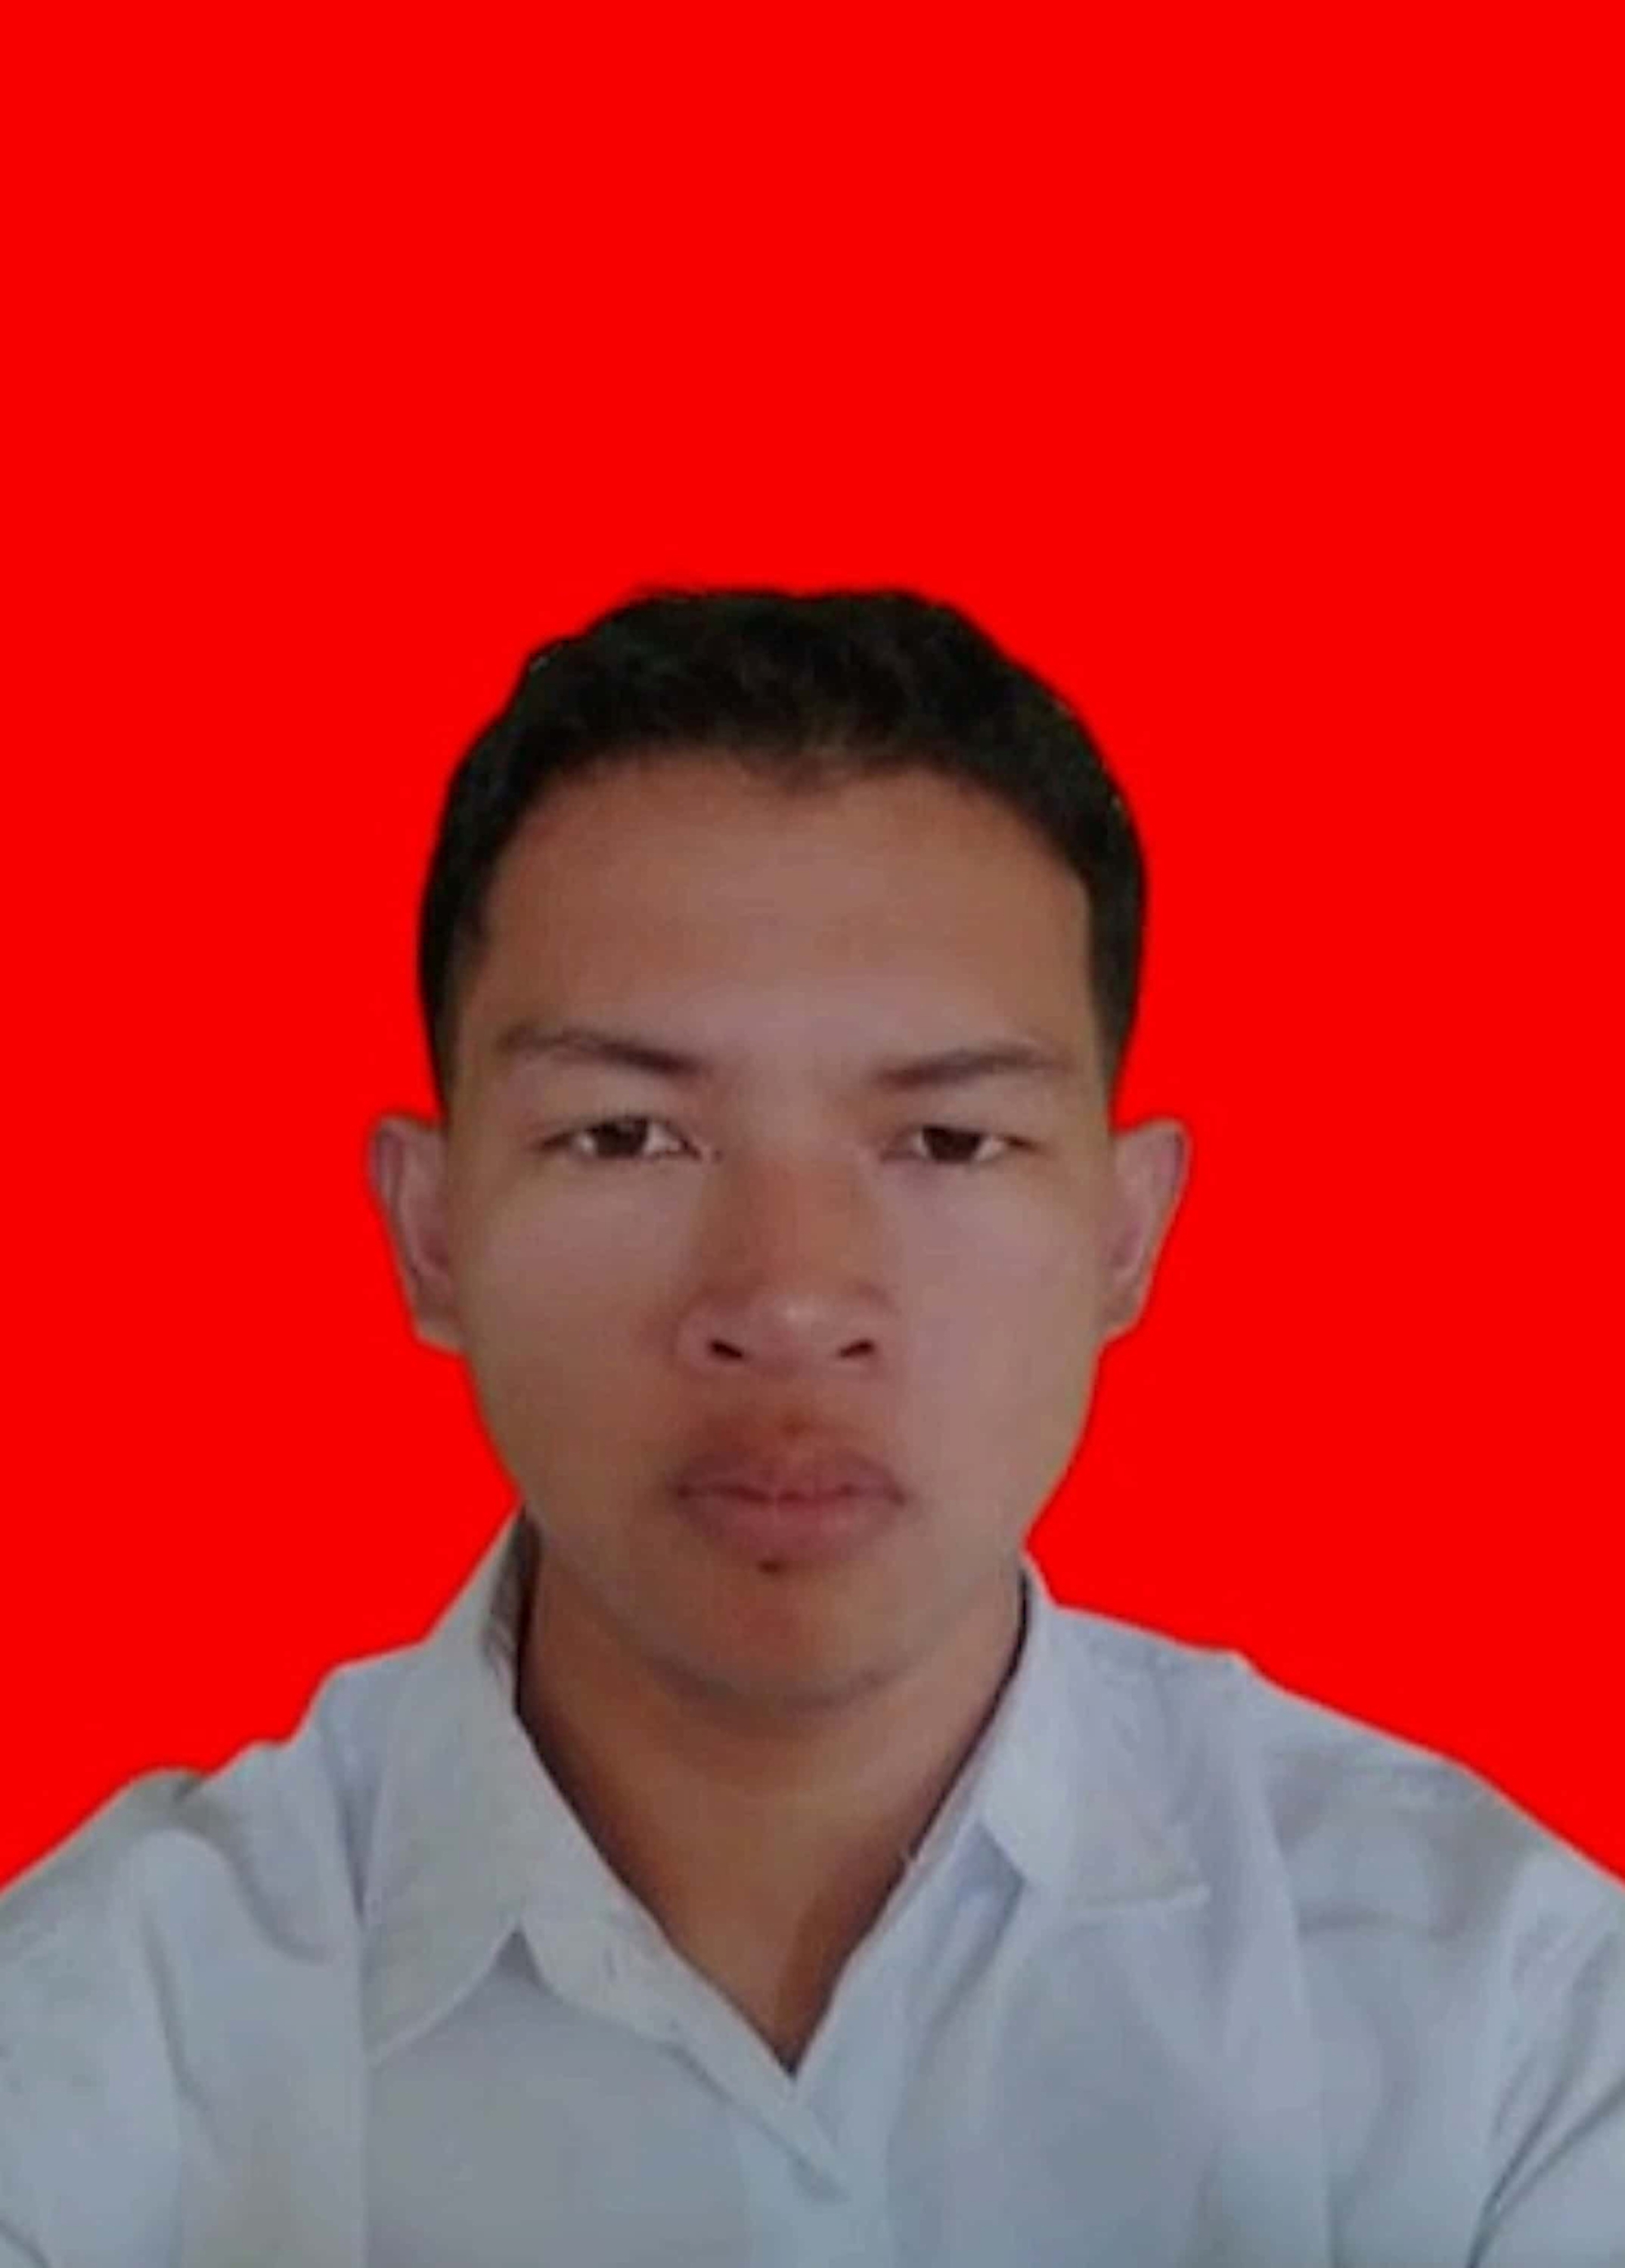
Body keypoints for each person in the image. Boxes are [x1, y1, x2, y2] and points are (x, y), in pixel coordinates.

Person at [1, 588, 1620, 2267]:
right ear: (427, 1232)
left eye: (946, 1142)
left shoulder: (1509, 2037)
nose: (786, 1298)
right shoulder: (93, 2051)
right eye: (626, 1136)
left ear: (1126, 1235)